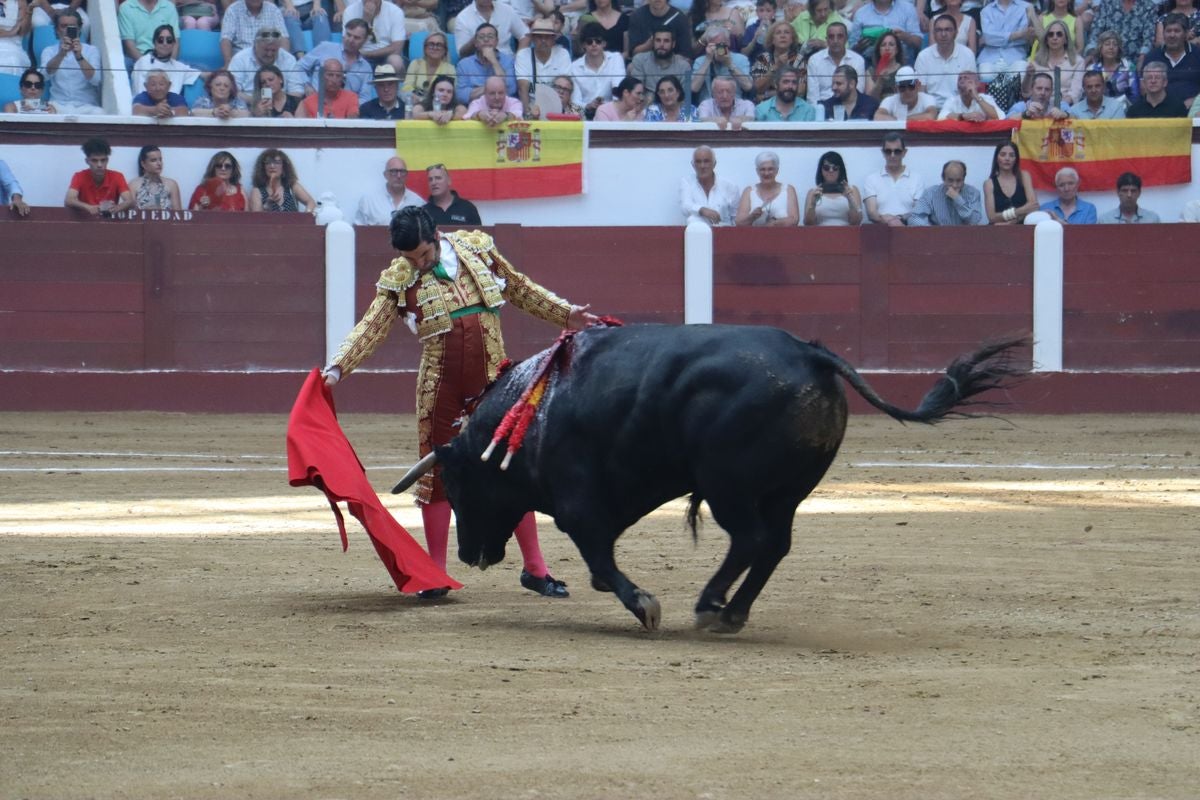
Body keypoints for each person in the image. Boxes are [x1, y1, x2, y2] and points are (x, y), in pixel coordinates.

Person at [323, 206, 598, 598]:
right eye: (410, 259)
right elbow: (371, 327)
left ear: (436, 236)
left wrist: (565, 314)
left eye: (423, 254)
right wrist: (337, 368)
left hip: (494, 380)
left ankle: (536, 568)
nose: (418, 264)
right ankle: (435, 573)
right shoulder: (399, 278)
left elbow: (519, 288)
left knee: (513, 466)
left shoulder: (477, 249)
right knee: (437, 474)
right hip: (441, 386)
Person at [40, 8, 102, 113]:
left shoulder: (92, 50)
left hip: (86, 105)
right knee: (42, 110)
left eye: (72, 26)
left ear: (79, 29)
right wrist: (61, 54)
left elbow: (96, 80)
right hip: (57, 104)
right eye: (63, 26)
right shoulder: (49, 51)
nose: (67, 30)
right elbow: (44, 76)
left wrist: (79, 56)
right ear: (57, 29)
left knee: (101, 113)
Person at [297, 18, 374, 99]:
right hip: (316, 101)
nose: (351, 40)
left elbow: (365, 98)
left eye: (356, 38)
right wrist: (306, 85)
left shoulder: (366, 68)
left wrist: (351, 105)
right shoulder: (325, 48)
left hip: (346, 106)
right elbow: (299, 66)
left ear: (365, 40)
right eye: (348, 35)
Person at [913, 13, 977, 109]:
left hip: (960, 107)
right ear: (933, 34)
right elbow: (920, 92)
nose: (943, 34)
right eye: (939, 30)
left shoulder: (967, 54)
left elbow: (970, 89)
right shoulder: (923, 56)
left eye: (948, 30)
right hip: (932, 109)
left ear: (956, 32)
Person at [229, 25, 306, 101]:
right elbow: (232, 90)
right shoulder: (240, 59)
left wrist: (280, 104)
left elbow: (297, 90)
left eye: (274, 50)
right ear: (255, 45)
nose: (269, 54)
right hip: (248, 105)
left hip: (284, 105)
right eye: (266, 50)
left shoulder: (288, 59)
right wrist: (256, 103)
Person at [516, 17, 572, 118]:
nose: (543, 40)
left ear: (553, 39)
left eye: (547, 37)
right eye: (539, 37)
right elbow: (523, 88)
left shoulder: (562, 54)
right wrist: (528, 114)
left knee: (580, 111)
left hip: (559, 105)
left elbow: (565, 87)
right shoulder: (523, 55)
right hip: (533, 105)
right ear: (533, 38)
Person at [863, 132, 924, 226]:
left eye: (897, 151)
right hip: (880, 230)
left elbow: (918, 211)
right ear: (883, 153)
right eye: (888, 151)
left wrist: (900, 219)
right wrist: (890, 222)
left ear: (904, 153)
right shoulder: (871, 179)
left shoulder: (917, 179)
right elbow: (871, 213)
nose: (892, 155)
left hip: (907, 229)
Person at [64, 138, 135, 218]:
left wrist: (117, 208)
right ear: (87, 161)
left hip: (109, 221)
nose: (99, 165)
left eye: (103, 160)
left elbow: (130, 201)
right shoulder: (79, 176)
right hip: (85, 221)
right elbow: (69, 200)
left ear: (107, 160)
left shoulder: (117, 176)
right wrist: (88, 207)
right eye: (94, 160)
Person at [1021, 19, 1083, 106]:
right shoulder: (1033, 61)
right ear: (1046, 40)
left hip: (1065, 106)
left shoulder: (1078, 61)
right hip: (1036, 106)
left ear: (1066, 39)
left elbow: (1075, 92)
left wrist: (1060, 106)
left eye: (1059, 34)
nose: (1055, 37)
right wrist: (1028, 76)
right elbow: (1026, 93)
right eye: (1050, 34)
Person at [569, 21, 626, 116]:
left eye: (598, 41)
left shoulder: (616, 59)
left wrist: (605, 107)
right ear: (583, 45)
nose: (594, 44)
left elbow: (619, 93)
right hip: (585, 115)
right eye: (589, 42)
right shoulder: (574, 67)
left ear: (604, 43)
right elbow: (575, 102)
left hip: (612, 113)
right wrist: (588, 106)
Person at [1145, 12, 1200, 107]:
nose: (1172, 35)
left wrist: (1194, 102)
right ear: (1163, 34)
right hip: (1161, 109)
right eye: (1168, 31)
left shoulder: (1197, 54)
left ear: (1186, 34)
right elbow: (1144, 88)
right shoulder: (1152, 57)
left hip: (1194, 108)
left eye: (1177, 31)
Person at [130, 23, 199, 99]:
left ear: (173, 44)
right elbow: (139, 94)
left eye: (169, 40)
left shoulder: (178, 66)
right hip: (145, 104)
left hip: (172, 105)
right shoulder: (143, 63)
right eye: (160, 40)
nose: (165, 43)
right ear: (154, 43)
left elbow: (202, 74)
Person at [629, 27, 692, 108]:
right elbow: (637, 92)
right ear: (653, 42)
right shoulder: (640, 60)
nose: (661, 44)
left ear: (673, 44)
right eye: (658, 40)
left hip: (674, 108)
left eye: (666, 41)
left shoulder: (684, 66)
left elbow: (686, 98)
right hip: (645, 107)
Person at [456, 23, 517, 106]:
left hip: (502, 107)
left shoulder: (508, 61)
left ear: (496, 41)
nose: (486, 40)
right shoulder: (464, 64)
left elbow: (511, 89)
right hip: (474, 108)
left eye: (490, 37)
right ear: (476, 43)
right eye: (481, 37)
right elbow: (462, 95)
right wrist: (493, 88)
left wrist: (494, 61)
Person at [975, 0, 1038, 81]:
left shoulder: (1026, 7)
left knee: (1022, 75)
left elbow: (1025, 37)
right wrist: (1018, 34)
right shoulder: (986, 11)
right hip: (990, 57)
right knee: (985, 75)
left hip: (1016, 56)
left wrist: (997, 38)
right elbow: (989, 38)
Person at [908, 160, 985, 225]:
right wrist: (931, 231)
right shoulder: (931, 193)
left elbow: (974, 221)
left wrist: (958, 200)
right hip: (937, 236)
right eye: (950, 180)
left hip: (965, 236)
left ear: (964, 178)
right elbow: (914, 217)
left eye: (958, 180)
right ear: (943, 178)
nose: (954, 185)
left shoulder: (973, 193)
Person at [734, 151, 800, 227]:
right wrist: (752, 216)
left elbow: (794, 220)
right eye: (762, 169)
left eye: (770, 169)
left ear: (777, 170)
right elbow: (739, 222)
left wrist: (773, 223)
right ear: (757, 171)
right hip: (755, 234)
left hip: (783, 234)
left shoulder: (788, 190)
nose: (766, 173)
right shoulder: (749, 191)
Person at [806, 22, 865, 104]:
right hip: (823, 107)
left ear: (846, 39)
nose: (835, 41)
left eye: (840, 36)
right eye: (831, 37)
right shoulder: (814, 60)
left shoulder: (857, 60)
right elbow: (813, 97)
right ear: (826, 39)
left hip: (849, 106)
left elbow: (858, 92)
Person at [1084, 0, 1159, 65]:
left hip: (1134, 61)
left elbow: (1148, 39)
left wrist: (1142, 57)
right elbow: (1095, 32)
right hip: (1106, 59)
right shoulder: (1107, 3)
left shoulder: (1149, 7)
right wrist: (1091, 53)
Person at [355, 156, 425, 225]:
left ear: (406, 175)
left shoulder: (418, 203)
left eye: (402, 171)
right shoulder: (369, 201)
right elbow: (359, 230)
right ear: (385, 175)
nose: (399, 176)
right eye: (393, 171)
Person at [690, 26, 752, 104]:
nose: (718, 48)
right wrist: (707, 60)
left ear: (728, 43)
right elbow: (694, 88)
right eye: (714, 45)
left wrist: (730, 64)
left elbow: (748, 86)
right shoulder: (700, 61)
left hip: (734, 103)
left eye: (721, 45)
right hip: (708, 105)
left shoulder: (741, 59)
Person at [849, 0, 922, 65]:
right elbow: (851, 50)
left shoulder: (908, 9)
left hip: (902, 62)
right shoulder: (861, 13)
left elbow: (919, 43)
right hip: (870, 62)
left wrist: (906, 37)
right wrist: (860, 46)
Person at [680, 145, 739, 225]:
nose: (702, 166)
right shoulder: (687, 182)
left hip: (723, 229)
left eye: (706, 161)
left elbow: (735, 218)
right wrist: (702, 210)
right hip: (697, 230)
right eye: (698, 162)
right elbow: (685, 206)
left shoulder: (730, 187)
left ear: (714, 164)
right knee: (693, 219)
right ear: (693, 165)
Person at [343, 0, 408, 72]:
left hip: (385, 56)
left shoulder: (396, 12)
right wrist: (365, 20)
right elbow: (348, 44)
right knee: (346, 59)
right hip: (359, 55)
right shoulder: (350, 11)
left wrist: (368, 54)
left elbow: (397, 48)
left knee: (396, 61)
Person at [220, 0, 291, 65]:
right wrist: (228, 63)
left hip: (269, 59)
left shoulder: (273, 10)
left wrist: (282, 63)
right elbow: (225, 40)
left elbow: (283, 38)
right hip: (243, 61)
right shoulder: (233, 10)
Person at [983, 141, 1038, 224]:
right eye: (1003, 155)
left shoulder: (1024, 176)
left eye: (1011, 155)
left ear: (1016, 159)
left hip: (1022, 226)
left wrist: (1011, 222)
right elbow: (992, 217)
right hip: (997, 228)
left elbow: (1033, 206)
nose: (1007, 158)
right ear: (996, 158)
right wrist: (1019, 211)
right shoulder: (989, 184)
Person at [803, 150, 863, 226]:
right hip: (820, 232)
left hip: (847, 232)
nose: (831, 171)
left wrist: (850, 200)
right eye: (826, 168)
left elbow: (856, 222)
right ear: (821, 170)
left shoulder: (852, 190)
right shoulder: (813, 192)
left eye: (835, 168)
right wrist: (813, 204)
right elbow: (808, 224)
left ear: (840, 170)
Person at [454, 0, 529, 59]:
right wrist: (476, 39)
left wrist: (519, 57)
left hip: (506, 61)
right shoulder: (463, 18)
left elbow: (525, 34)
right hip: (478, 63)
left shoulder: (506, 10)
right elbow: (462, 54)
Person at [750, 22, 806, 102]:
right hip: (766, 105)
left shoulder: (799, 59)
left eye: (787, 32)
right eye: (778, 33)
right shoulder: (763, 58)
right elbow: (758, 88)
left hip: (793, 102)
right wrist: (776, 66)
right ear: (772, 40)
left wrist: (768, 94)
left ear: (792, 39)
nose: (783, 36)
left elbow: (800, 90)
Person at [249, 149, 316, 213]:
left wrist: (306, 216)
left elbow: (311, 202)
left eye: (277, 162)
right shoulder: (257, 191)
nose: (272, 166)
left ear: (284, 167)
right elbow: (256, 218)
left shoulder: (292, 187)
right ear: (263, 168)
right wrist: (266, 206)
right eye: (268, 163)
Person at [402, 29, 455, 106]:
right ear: (425, 48)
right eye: (431, 44)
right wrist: (415, 97)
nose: (435, 47)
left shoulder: (450, 69)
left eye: (439, 45)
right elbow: (407, 87)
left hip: (440, 106)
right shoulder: (415, 64)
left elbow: (450, 93)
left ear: (445, 50)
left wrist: (425, 100)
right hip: (415, 104)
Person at [119, 0, 180, 66]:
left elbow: (175, 42)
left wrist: (170, 66)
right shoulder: (126, 7)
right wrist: (148, 66)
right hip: (138, 61)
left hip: (167, 62)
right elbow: (129, 46)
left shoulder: (169, 7)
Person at [1085, 29, 1139, 104]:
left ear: (1119, 49)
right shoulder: (1091, 69)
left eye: (1115, 44)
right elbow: (1087, 95)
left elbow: (1135, 95)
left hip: (1124, 108)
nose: (1111, 47)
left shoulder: (1129, 66)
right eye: (1107, 44)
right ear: (1100, 48)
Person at [629, 0, 693, 58]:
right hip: (644, 62)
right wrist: (650, 44)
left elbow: (686, 54)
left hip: (673, 63)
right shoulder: (637, 16)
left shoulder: (679, 18)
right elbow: (633, 53)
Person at [127, 145, 182, 210]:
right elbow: (130, 212)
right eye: (153, 160)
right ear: (143, 164)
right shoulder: (134, 185)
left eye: (160, 159)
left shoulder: (171, 184)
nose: (159, 163)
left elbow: (178, 213)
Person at [874, 65, 939, 119]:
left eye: (911, 86)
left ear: (918, 85)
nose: (907, 91)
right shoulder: (889, 100)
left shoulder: (927, 98)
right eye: (902, 87)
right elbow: (877, 116)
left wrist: (901, 120)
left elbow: (931, 116)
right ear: (896, 89)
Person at [937, 68, 1001, 119]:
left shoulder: (986, 98)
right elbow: (941, 117)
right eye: (960, 79)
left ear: (977, 84)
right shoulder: (952, 100)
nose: (962, 81)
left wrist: (977, 97)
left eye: (966, 78)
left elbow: (999, 117)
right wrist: (964, 116)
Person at [864, 31, 905, 99]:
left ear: (897, 50)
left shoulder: (904, 70)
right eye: (883, 45)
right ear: (879, 50)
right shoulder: (871, 71)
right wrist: (880, 81)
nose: (887, 48)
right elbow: (869, 99)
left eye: (891, 44)